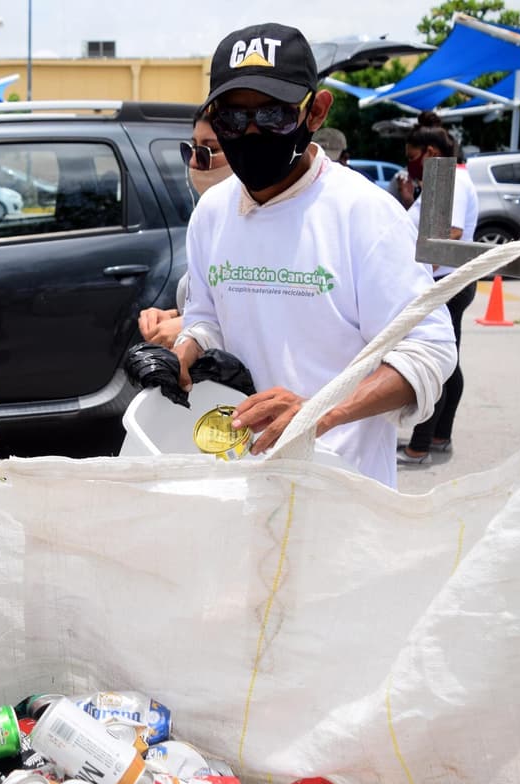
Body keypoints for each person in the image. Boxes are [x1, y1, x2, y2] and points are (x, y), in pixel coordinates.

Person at [173, 22, 457, 486]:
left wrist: (318, 413)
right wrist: (182, 353)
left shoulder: (364, 214)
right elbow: (206, 318)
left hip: (342, 491)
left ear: (316, 112)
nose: (250, 132)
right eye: (231, 119)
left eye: (271, 117)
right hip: (238, 483)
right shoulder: (211, 212)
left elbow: (428, 350)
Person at [396, 125, 480, 465]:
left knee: (434, 360)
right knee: (451, 362)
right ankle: (439, 436)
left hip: (444, 283)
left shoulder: (453, 180)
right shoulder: (448, 177)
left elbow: (452, 231)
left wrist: (418, 277)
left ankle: (421, 445)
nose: (411, 164)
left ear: (430, 152)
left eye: (413, 157)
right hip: (448, 281)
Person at [137, 108, 232, 349]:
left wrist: (187, 328)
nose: (193, 161)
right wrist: (171, 316)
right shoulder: (209, 218)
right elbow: (209, 304)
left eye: (209, 150)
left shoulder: (259, 221)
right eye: (191, 149)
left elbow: (269, 315)